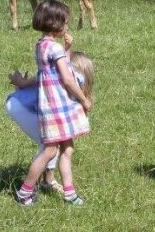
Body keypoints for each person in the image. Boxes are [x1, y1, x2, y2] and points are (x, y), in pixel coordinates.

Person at [13, 0, 92, 206]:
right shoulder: (53, 48)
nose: (67, 26)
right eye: (65, 22)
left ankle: (69, 193)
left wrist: (67, 48)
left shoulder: (42, 46)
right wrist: (84, 99)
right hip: (59, 108)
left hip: (52, 107)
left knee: (67, 149)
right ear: (55, 24)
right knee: (50, 151)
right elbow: (67, 78)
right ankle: (24, 192)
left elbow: (57, 69)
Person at [6, 51, 95, 195]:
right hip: (21, 106)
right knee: (50, 143)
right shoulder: (69, 80)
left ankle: (46, 180)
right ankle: (28, 189)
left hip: (21, 103)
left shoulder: (63, 81)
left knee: (53, 142)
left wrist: (22, 84)